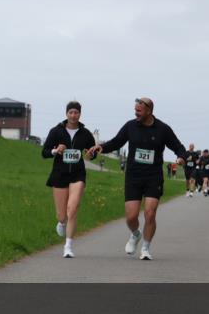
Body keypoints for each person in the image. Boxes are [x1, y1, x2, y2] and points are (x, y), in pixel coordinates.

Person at [90, 98, 188, 261]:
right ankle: (135, 234)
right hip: (133, 176)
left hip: (153, 176)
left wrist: (181, 157)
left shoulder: (162, 129)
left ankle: (146, 248)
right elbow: (116, 142)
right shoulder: (130, 126)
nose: (136, 113)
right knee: (131, 217)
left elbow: (179, 147)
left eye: (139, 111)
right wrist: (102, 147)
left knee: (150, 213)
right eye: (135, 111)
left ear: (149, 111)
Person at [41, 101, 98, 258]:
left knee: (72, 209)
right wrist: (55, 150)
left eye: (76, 112)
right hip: (60, 174)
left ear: (80, 114)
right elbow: (44, 152)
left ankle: (68, 246)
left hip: (77, 175)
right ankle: (61, 222)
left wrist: (91, 154)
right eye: (71, 112)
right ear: (66, 114)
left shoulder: (85, 133)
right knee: (62, 215)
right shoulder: (56, 131)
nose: (73, 115)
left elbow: (92, 153)